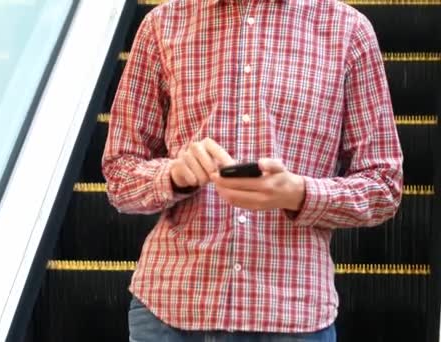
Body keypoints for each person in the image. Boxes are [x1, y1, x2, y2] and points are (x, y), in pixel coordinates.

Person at [102, 0, 403, 341]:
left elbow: (384, 185)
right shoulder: (162, 24)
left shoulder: (348, 30)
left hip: (294, 316)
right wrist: (174, 175)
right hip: (168, 310)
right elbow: (119, 172)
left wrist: (299, 194)